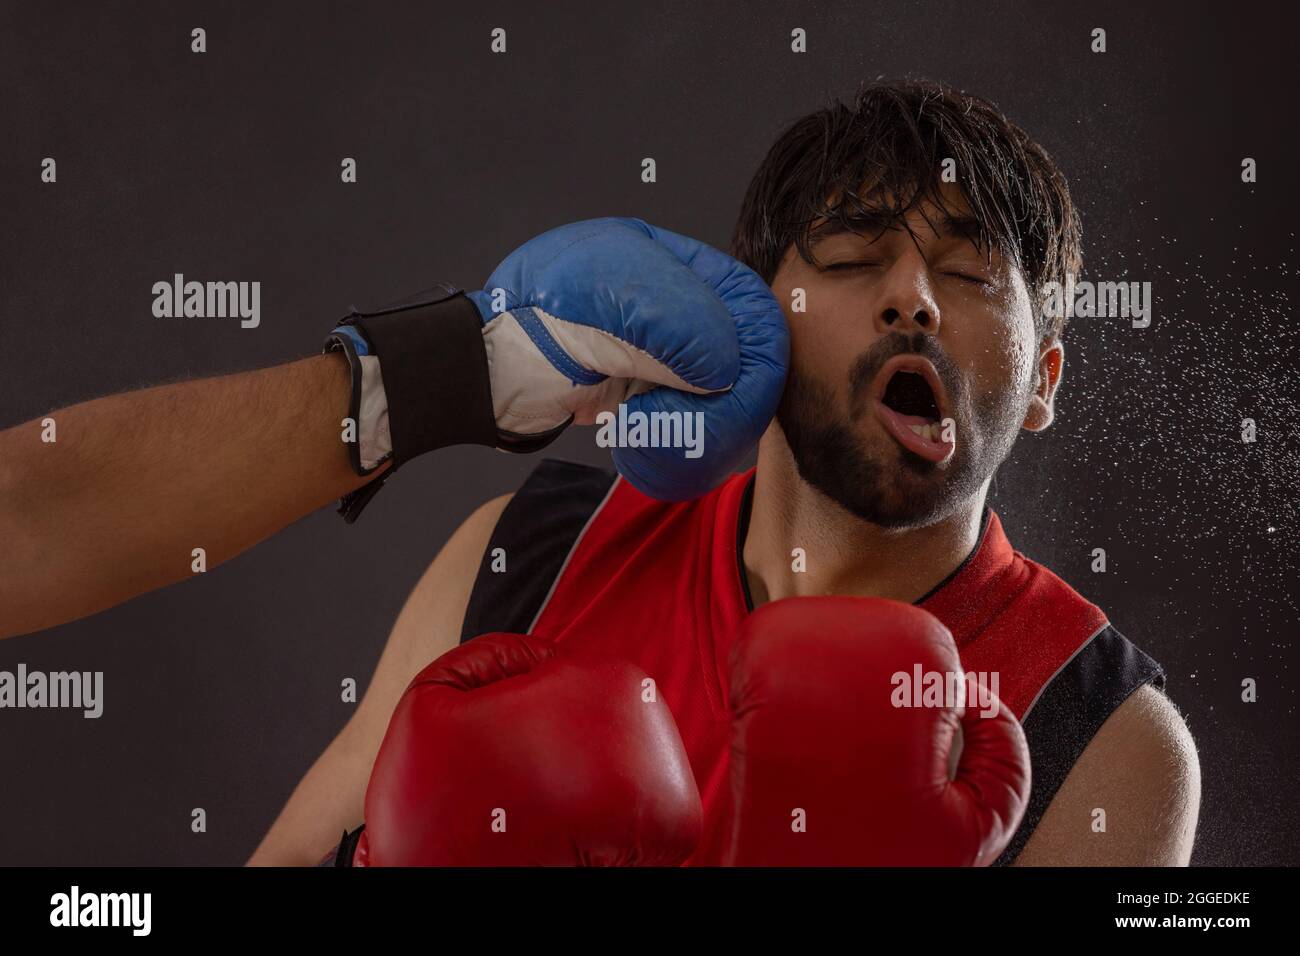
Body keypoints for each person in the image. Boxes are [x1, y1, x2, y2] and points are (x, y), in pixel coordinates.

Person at [0, 79, 1199, 867]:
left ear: (1043, 379)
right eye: (849, 253)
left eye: (971, 272)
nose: (910, 294)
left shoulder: (1103, 732)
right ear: (757, 312)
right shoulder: (528, 548)